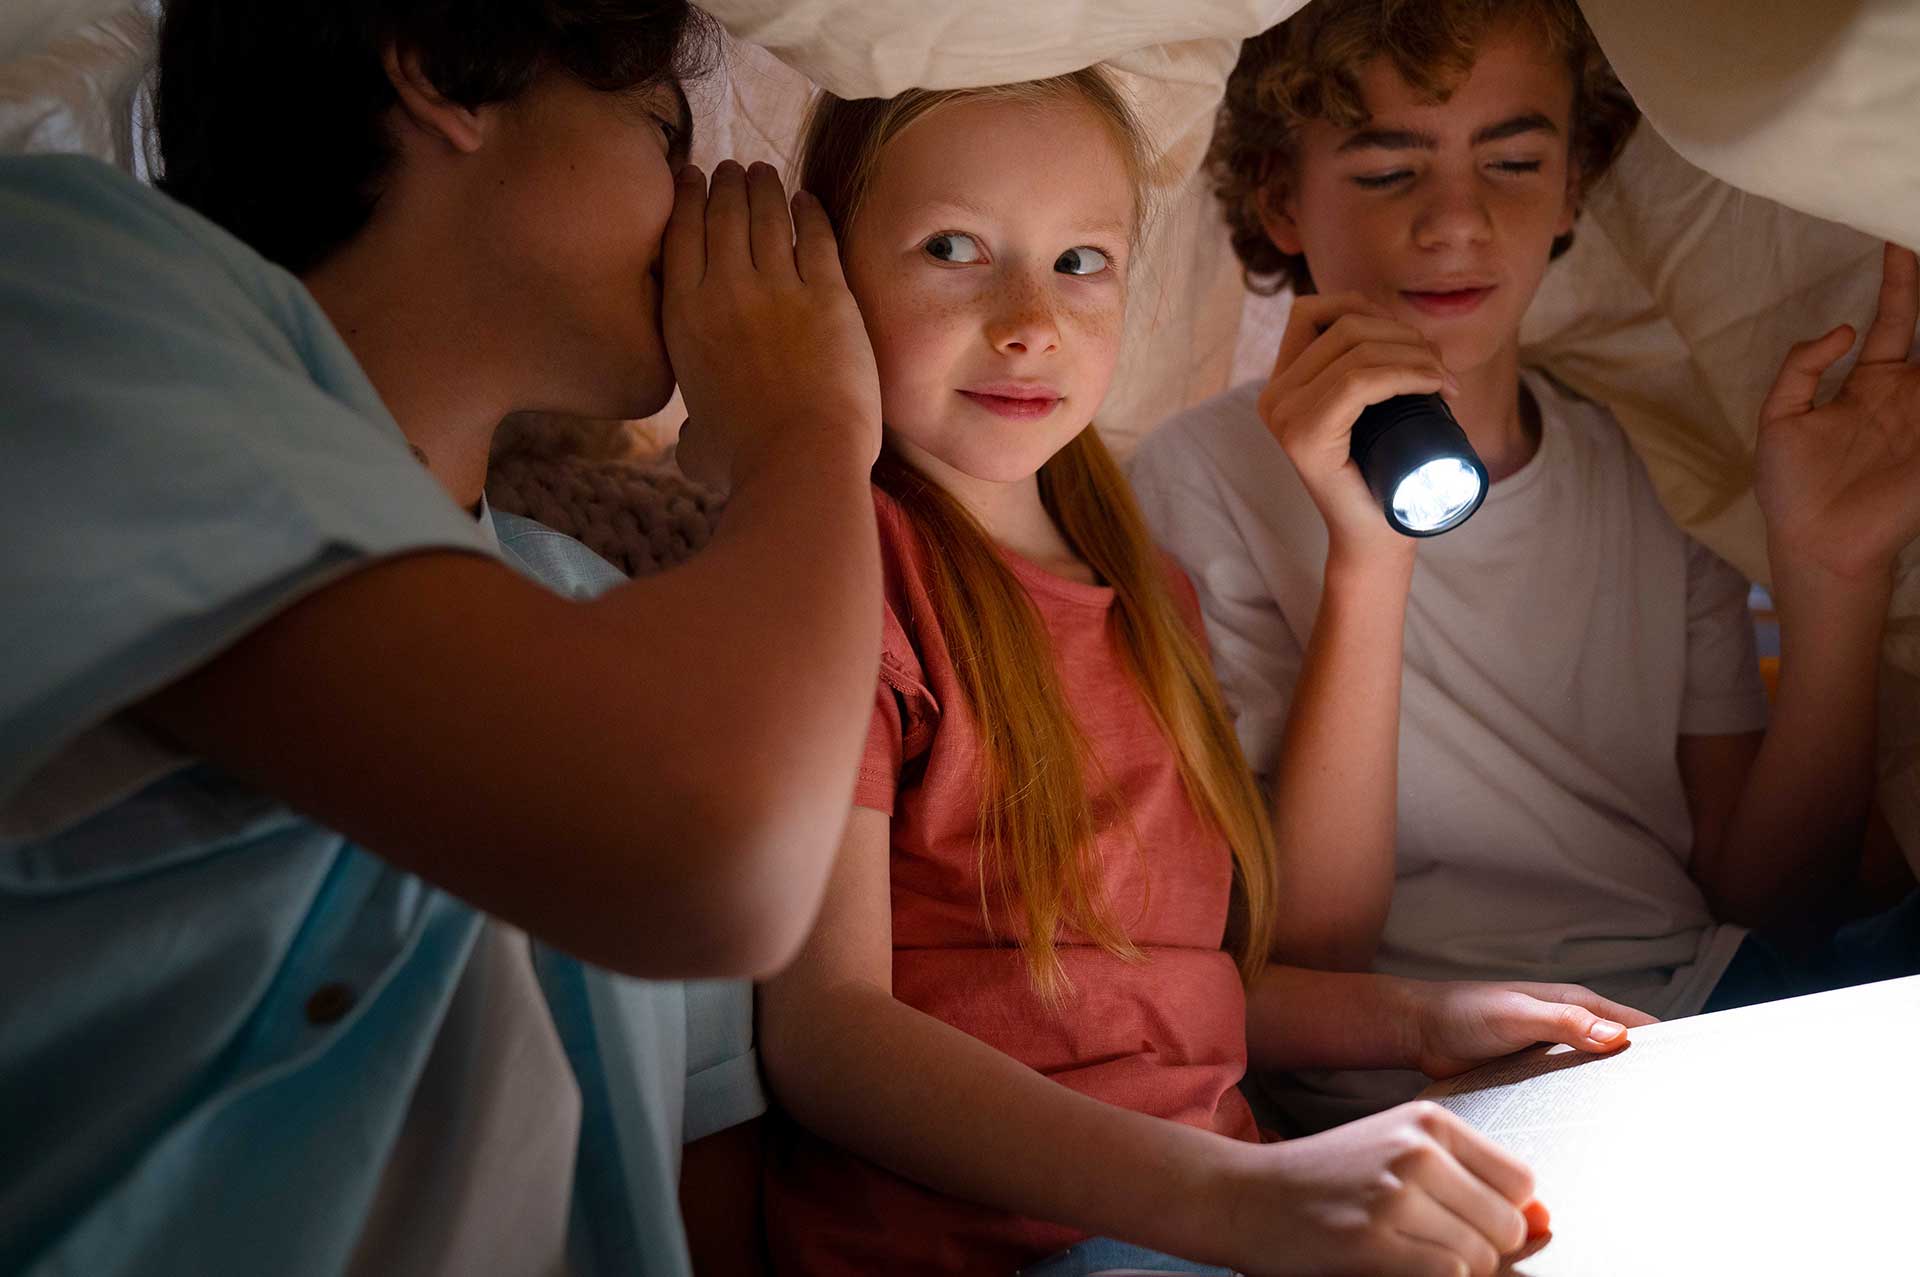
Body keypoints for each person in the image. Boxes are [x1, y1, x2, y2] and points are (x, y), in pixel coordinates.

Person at [0, 0, 885, 1272]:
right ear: (440, 73)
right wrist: (808, 432)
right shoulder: (64, 288)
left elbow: (701, 1185)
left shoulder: (616, 617)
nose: (698, 199)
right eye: (658, 131)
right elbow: (714, 853)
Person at [755, 67, 1651, 1277]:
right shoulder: (843, 567)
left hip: (1212, 1203)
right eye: (954, 247)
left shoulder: (1149, 586)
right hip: (1006, 1244)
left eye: (1081, 261)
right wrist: (1243, 1193)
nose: (1032, 319)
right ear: (832, 270)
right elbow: (829, 1035)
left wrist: (1423, 1018)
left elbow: (1170, 985)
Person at [1129, 0, 1920, 1134]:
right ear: (1279, 198)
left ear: (1571, 190)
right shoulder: (1199, 476)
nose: (1457, 220)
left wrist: (1836, 575)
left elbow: (1773, 902)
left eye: (1512, 159)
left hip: (1696, 1015)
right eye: (1388, 170)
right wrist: (1369, 556)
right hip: (1421, 1080)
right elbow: (1312, 949)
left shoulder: (1648, 457)